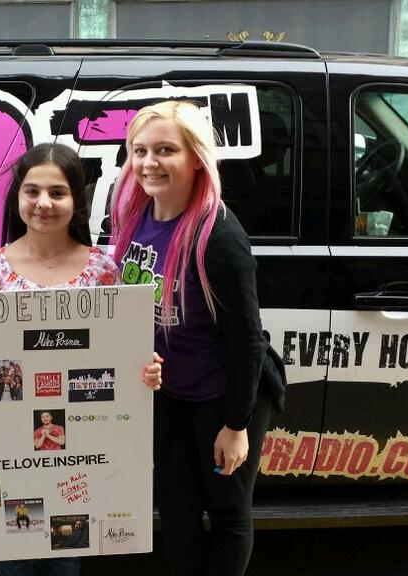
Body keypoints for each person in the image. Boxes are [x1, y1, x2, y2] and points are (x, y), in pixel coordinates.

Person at [0, 142, 163, 576]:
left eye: (58, 193)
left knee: (69, 553)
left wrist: (145, 373)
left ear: (76, 199)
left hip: (85, 451)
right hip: (8, 447)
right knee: (16, 557)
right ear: (17, 198)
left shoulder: (104, 269)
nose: (44, 203)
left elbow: (120, 356)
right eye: (32, 191)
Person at [109, 100, 286, 576]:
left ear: (196, 158)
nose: (148, 163)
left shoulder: (219, 236)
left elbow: (248, 341)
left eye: (165, 149)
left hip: (221, 397)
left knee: (226, 511)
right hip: (167, 396)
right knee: (177, 513)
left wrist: (235, 424)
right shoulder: (134, 217)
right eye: (139, 150)